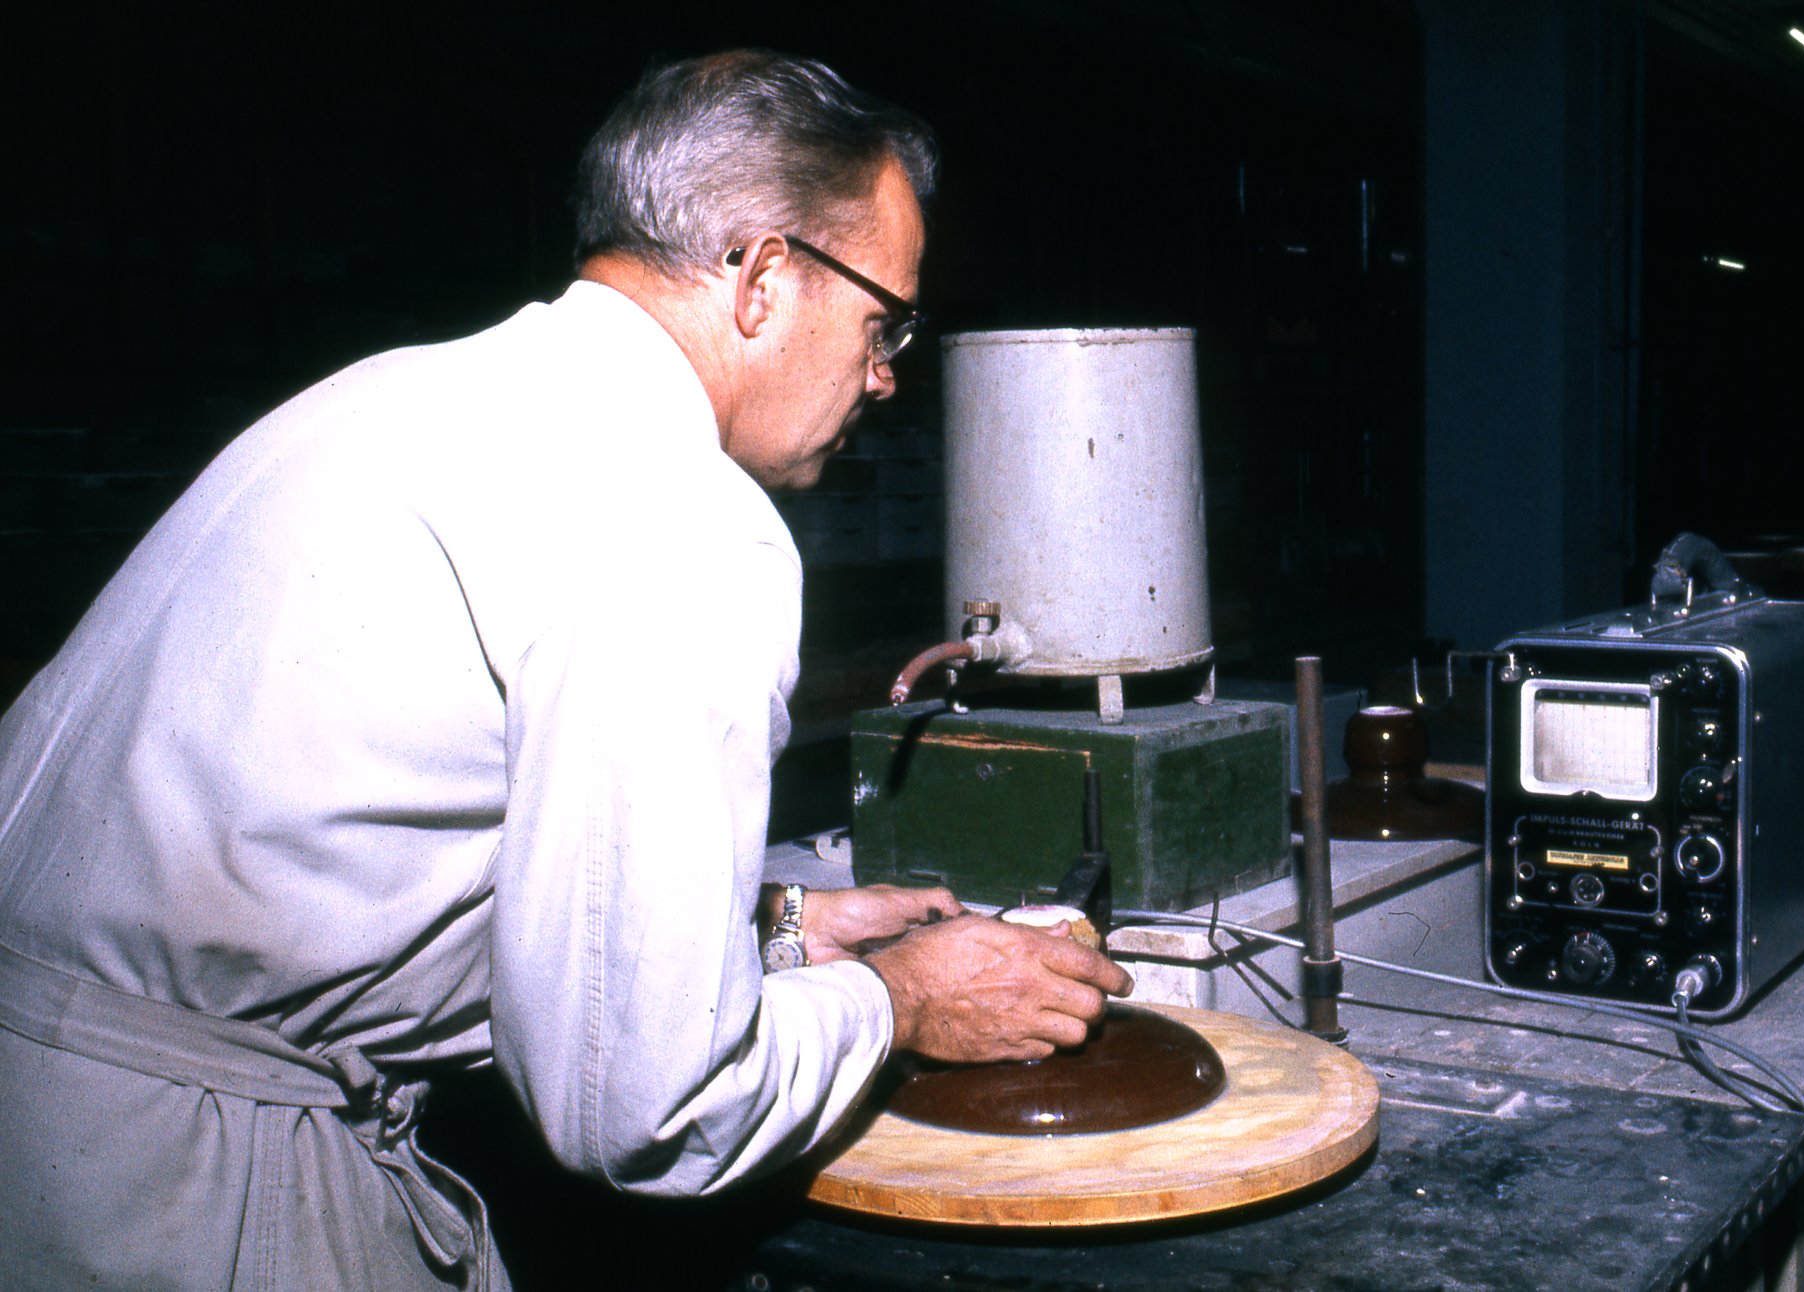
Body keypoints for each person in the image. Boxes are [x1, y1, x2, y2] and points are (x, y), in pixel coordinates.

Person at [0, 49, 1131, 1289]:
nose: (883, 374)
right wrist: (903, 999)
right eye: (883, 318)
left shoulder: (397, 392)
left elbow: (359, 852)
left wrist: (783, 924)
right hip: (183, 1190)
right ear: (762, 279)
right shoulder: (677, 512)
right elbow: (647, 1107)